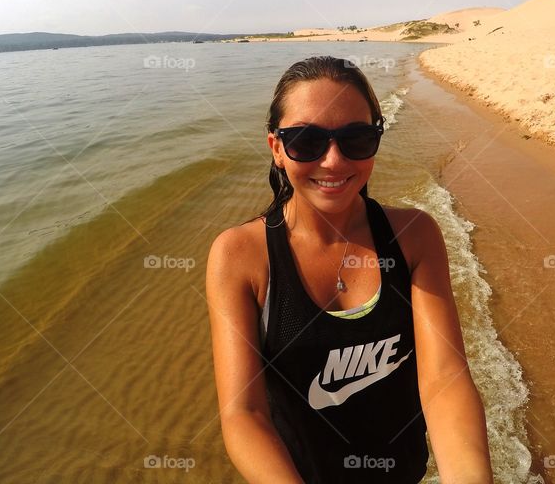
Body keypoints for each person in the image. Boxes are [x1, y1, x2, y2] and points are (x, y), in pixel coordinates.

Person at [207, 55, 493, 483]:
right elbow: (244, 413)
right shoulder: (240, 256)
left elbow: (444, 379)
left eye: (356, 139)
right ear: (277, 149)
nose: (334, 161)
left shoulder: (415, 236)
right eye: (306, 140)